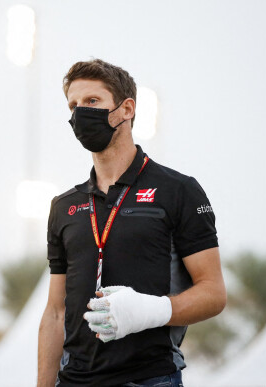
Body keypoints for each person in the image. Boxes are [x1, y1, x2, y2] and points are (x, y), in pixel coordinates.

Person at [37, 59, 226, 386]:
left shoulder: (178, 190)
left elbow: (213, 293)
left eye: (92, 101)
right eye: (73, 105)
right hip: (72, 380)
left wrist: (150, 311)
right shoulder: (64, 205)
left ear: (126, 109)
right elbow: (55, 313)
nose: (80, 112)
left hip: (149, 378)